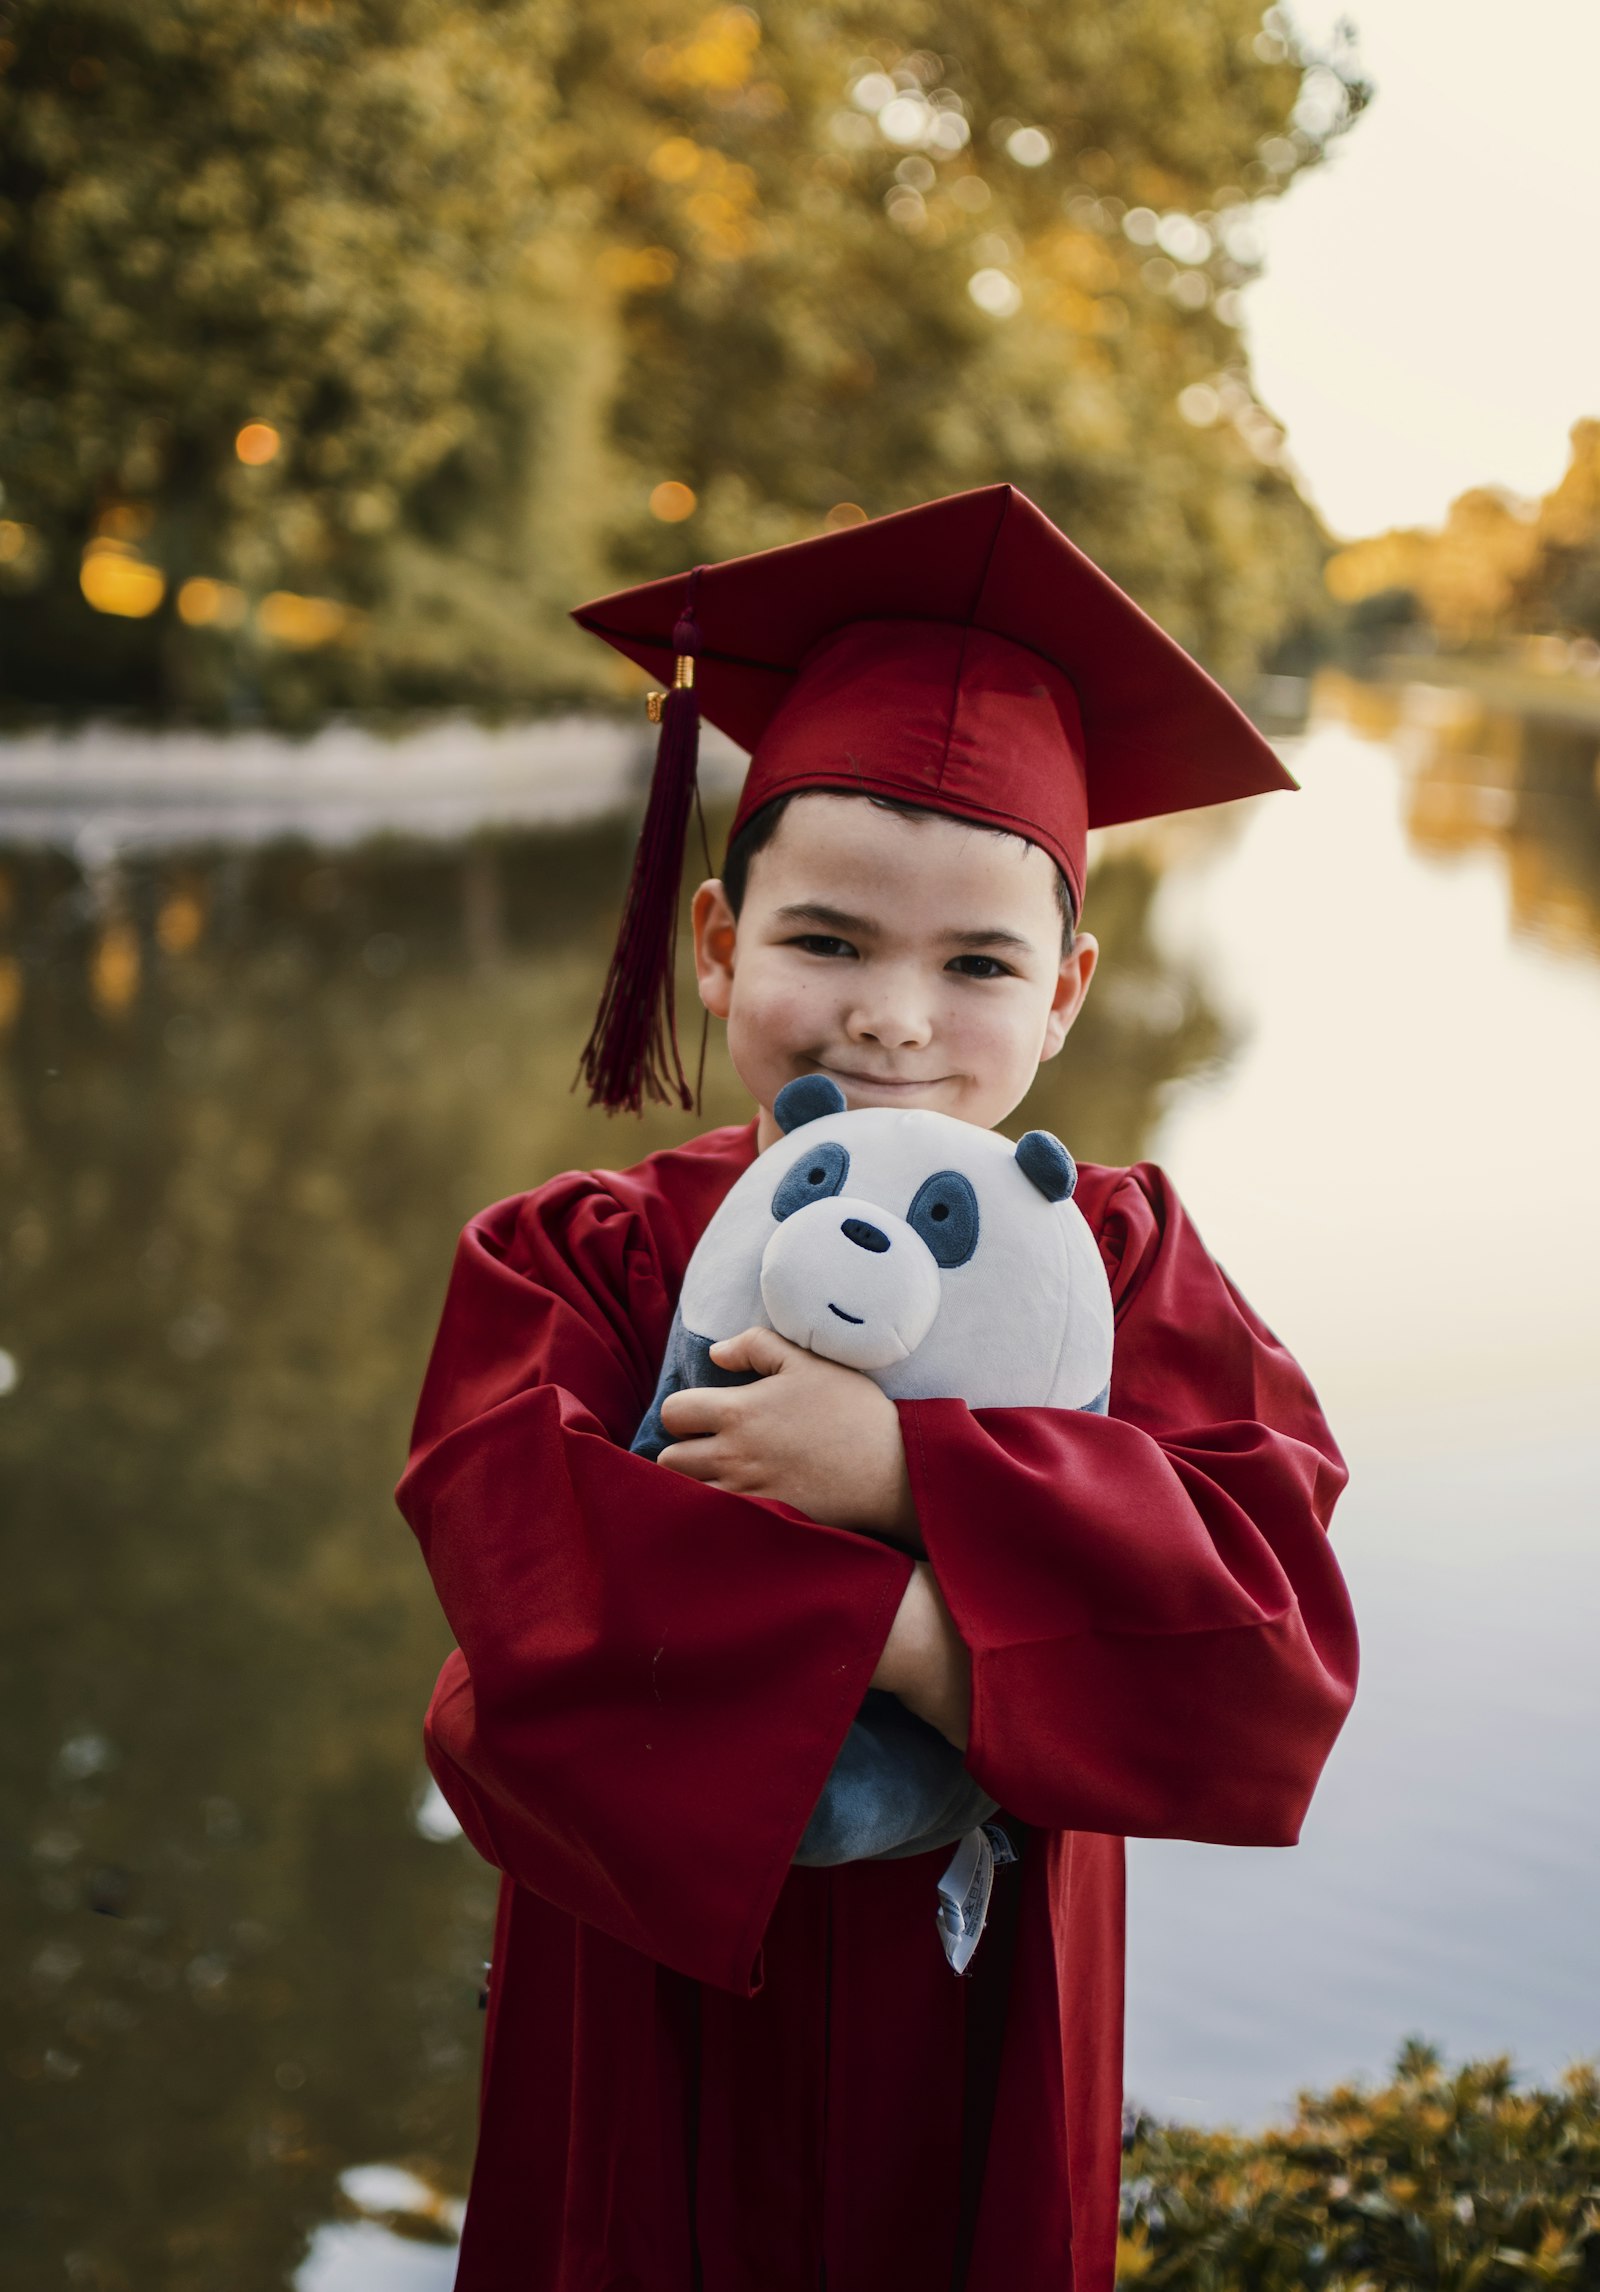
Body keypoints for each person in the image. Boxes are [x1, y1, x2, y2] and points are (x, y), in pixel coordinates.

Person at [396, 484, 1359, 2292]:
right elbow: (531, 1630)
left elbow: (1268, 1660)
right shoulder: (585, 1257)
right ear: (713, 947)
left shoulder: (1133, 1272)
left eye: (978, 964)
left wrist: (909, 1490)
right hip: (658, 1999)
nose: (897, 1021)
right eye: (827, 941)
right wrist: (1023, 1614)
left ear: (1067, 993)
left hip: (981, 2000)